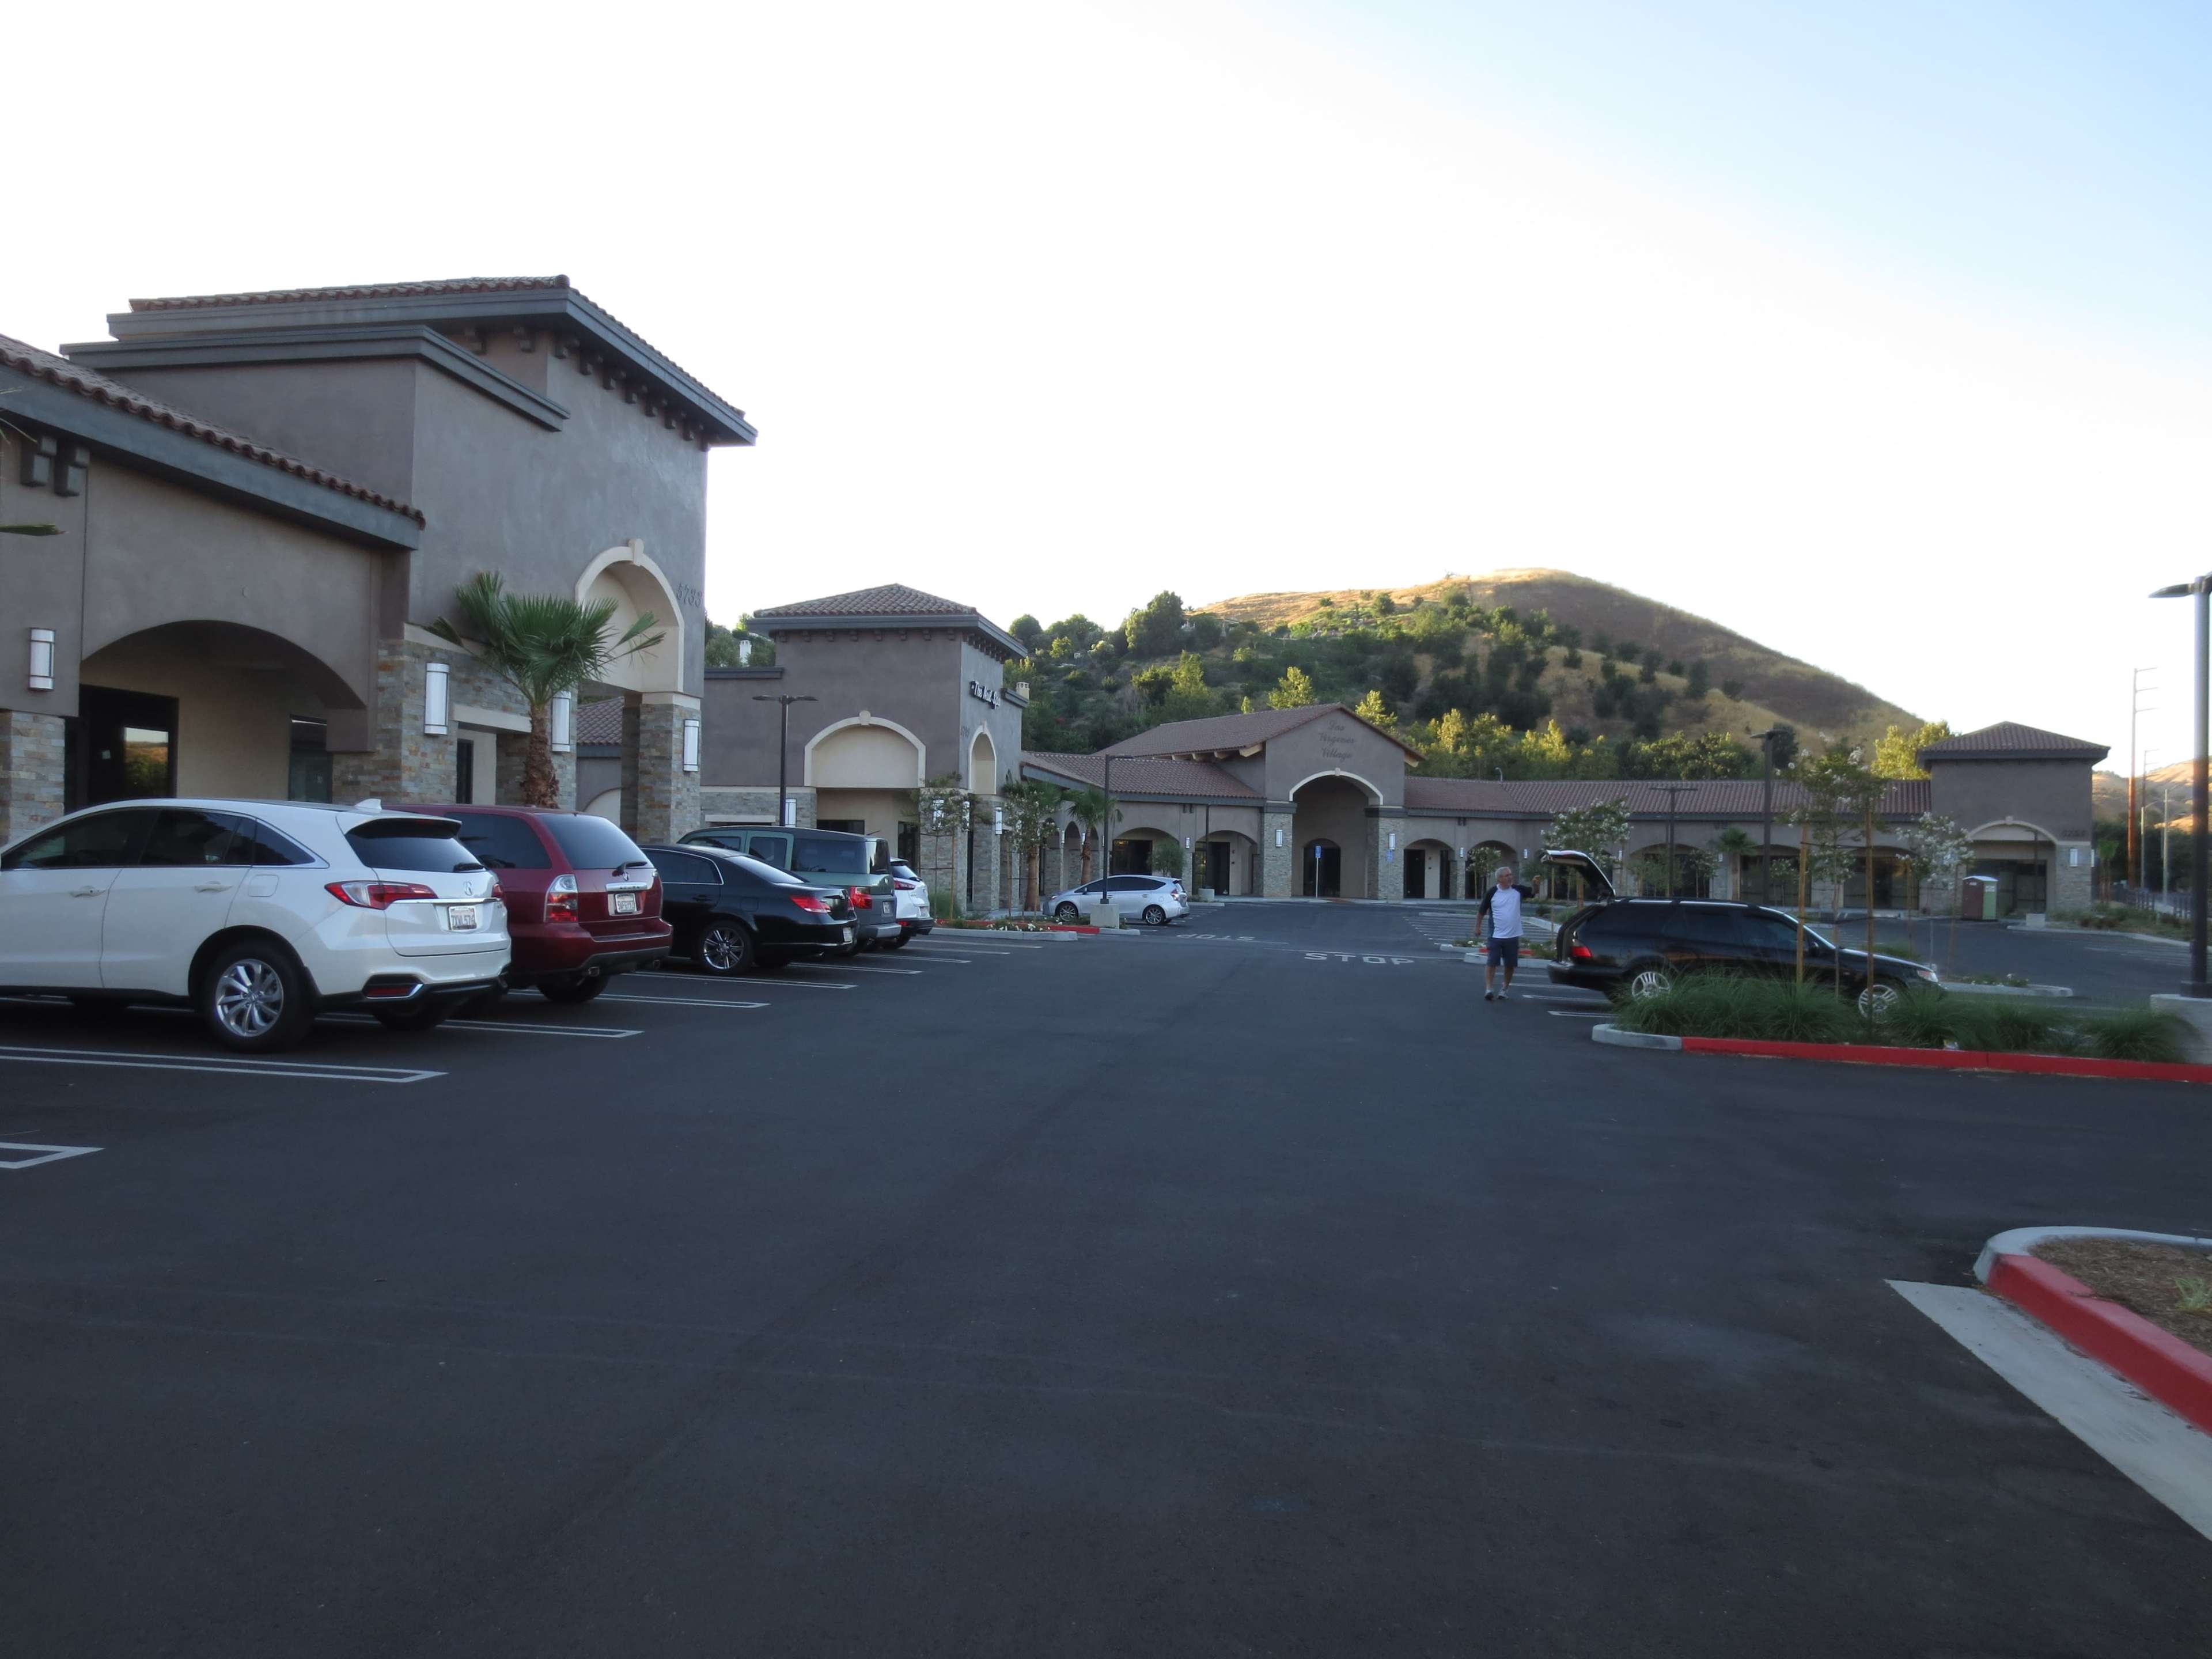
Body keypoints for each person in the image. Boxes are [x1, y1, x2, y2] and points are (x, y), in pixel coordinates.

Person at [1480, 864, 1535, 1002]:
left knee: (1510, 964)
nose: (1510, 877)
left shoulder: (1518, 890)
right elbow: (1481, 911)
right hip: (1496, 935)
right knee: (1492, 962)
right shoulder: (1492, 892)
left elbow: (1534, 893)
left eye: (1510, 875)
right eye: (1507, 875)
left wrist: (1536, 884)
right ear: (1499, 879)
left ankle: (1505, 989)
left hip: (1513, 936)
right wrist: (1477, 927)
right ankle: (1489, 989)